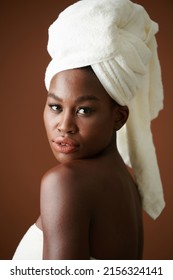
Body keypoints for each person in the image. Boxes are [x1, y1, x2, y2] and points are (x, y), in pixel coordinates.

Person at [12, 0, 165, 260]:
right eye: (55, 106)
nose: (64, 126)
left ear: (118, 117)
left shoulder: (65, 182)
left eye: (84, 110)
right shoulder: (124, 182)